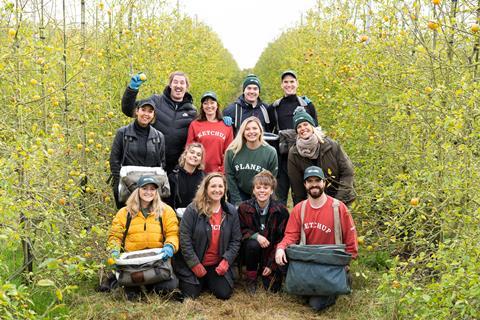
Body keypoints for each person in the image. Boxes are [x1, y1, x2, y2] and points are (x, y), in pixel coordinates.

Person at [275, 166, 358, 311]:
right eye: (310, 181)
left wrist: (346, 263)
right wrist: (280, 248)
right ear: (305, 185)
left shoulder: (338, 208)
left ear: (324, 183)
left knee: (315, 305)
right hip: (309, 262)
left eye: (317, 180)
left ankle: (343, 281)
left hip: (331, 263)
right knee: (299, 292)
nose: (314, 184)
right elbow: (290, 236)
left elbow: (351, 239)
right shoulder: (299, 209)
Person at [107, 176, 179, 300]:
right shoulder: (124, 213)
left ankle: (149, 285)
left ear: (156, 192)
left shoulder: (166, 211)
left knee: (168, 287)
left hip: (157, 262)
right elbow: (115, 236)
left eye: (152, 189)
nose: (148, 192)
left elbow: (172, 233)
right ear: (137, 190)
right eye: (144, 188)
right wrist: (114, 251)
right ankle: (134, 286)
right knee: (130, 293)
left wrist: (170, 246)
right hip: (132, 264)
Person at [174, 173, 241, 300]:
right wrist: (194, 264)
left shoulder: (231, 211)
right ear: (206, 188)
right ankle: (198, 282)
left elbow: (236, 240)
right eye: (213, 186)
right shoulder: (193, 209)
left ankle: (208, 281)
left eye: (220, 186)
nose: (217, 189)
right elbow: (184, 239)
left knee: (224, 294)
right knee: (190, 295)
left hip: (216, 264)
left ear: (225, 189)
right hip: (195, 262)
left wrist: (226, 262)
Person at [121, 71, 197, 174]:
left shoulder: (192, 112)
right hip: (149, 165)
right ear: (170, 85)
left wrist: (222, 119)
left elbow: (204, 129)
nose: (178, 85)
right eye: (175, 82)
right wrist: (132, 89)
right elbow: (129, 110)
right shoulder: (156, 101)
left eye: (182, 83)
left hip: (174, 170)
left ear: (187, 86)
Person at [288, 109, 356, 206]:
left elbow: (347, 173)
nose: (303, 128)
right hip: (313, 201)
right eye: (299, 126)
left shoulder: (331, 145)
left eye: (305, 124)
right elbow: (297, 186)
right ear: (296, 131)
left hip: (339, 198)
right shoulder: (294, 153)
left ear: (312, 126)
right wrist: (301, 209)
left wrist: (337, 202)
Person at [269, 70, 318, 204]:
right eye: (286, 82)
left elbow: (316, 130)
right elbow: (269, 132)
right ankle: (280, 225)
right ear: (281, 85)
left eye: (292, 81)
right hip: (282, 159)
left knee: (301, 197)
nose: (289, 84)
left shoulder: (307, 105)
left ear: (297, 84)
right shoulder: (274, 107)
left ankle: (304, 223)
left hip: (304, 157)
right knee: (279, 198)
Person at [237, 170, 289, 294]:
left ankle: (267, 269)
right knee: (252, 243)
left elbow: (282, 238)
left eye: (266, 187)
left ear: (271, 190)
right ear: (253, 190)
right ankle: (251, 277)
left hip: (271, 251)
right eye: (258, 187)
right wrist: (256, 236)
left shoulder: (281, 210)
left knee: (272, 289)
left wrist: (271, 265)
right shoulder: (244, 208)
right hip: (250, 251)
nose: (262, 190)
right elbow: (240, 229)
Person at [109, 99, 166, 209]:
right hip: (126, 185)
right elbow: (114, 160)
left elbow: (162, 164)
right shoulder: (123, 133)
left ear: (153, 115)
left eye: (150, 111)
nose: (146, 114)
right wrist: (123, 181)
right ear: (137, 111)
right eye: (143, 110)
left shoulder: (159, 137)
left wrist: (150, 187)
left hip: (149, 189)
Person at [224, 116, 278, 206]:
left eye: (254, 128)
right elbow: (230, 177)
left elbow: (271, 179)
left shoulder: (271, 152)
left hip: (261, 193)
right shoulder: (232, 151)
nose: (251, 132)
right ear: (243, 132)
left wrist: (262, 198)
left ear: (260, 131)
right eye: (247, 129)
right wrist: (237, 201)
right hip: (239, 193)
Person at [186, 91, 234, 173]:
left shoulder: (226, 125)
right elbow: (189, 149)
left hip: (218, 173)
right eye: (205, 103)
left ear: (217, 105)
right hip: (198, 171)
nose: (209, 106)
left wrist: (222, 171)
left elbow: (229, 152)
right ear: (202, 106)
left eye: (212, 103)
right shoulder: (195, 124)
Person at [165, 142, 206, 218]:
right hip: (176, 218)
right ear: (185, 155)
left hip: (198, 218)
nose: (194, 156)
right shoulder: (173, 177)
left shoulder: (204, 179)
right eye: (192, 152)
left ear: (201, 160)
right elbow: (168, 202)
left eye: (198, 155)